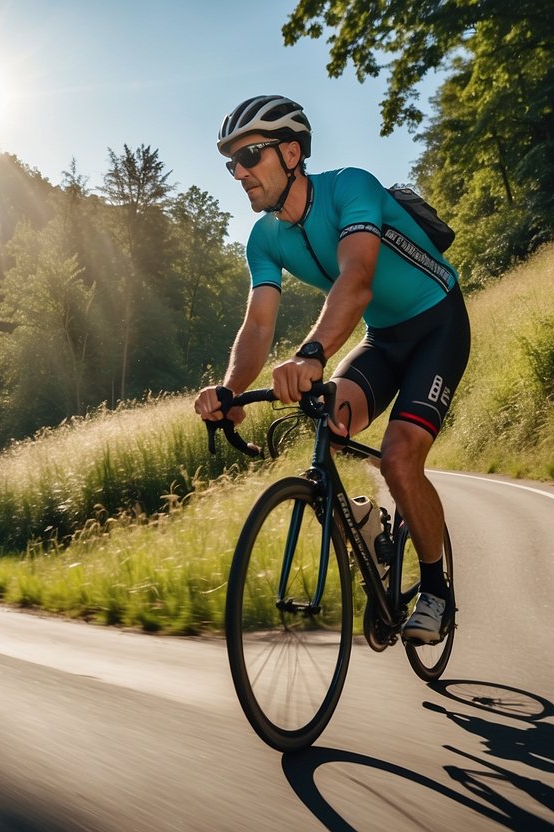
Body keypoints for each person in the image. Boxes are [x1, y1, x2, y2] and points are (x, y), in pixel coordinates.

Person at [194, 94, 471, 643]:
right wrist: (228, 392)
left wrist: (313, 354)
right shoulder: (264, 238)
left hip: (438, 323)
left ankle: (437, 591)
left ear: (292, 152)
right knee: (333, 423)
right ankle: (367, 526)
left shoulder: (352, 188)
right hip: (384, 338)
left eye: (250, 157)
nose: (240, 173)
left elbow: (357, 278)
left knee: (399, 458)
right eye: (232, 164)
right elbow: (257, 326)